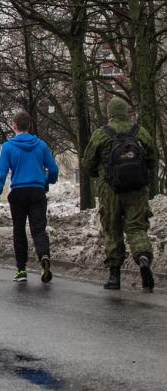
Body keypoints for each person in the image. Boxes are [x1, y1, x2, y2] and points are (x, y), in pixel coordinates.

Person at [83, 97, 157, 292]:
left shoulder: (101, 134)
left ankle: (114, 277)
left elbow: (88, 162)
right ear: (126, 113)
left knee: (112, 228)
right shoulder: (139, 132)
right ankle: (142, 259)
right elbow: (152, 157)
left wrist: (98, 174)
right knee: (137, 227)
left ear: (109, 115)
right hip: (137, 190)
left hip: (110, 190)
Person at [0, 111, 59, 283]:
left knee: (19, 230)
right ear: (29, 125)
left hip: (18, 193)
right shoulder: (41, 145)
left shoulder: (8, 147)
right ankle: (44, 256)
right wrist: (46, 182)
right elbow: (54, 170)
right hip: (37, 192)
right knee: (38, 229)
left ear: (14, 126)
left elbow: (1, 174)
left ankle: (21, 269)